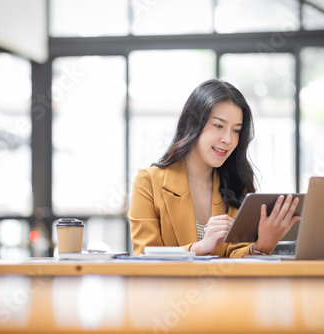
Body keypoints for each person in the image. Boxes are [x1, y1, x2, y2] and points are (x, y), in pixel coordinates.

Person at [128, 79, 300, 257]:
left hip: (227, 286)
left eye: (236, 130)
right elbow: (144, 258)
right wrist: (199, 248)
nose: (228, 139)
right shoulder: (148, 182)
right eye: (218, 126)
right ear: (193, 123)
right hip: (172, 286)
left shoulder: (237, 184)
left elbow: (238, 259)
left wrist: (263, 245)